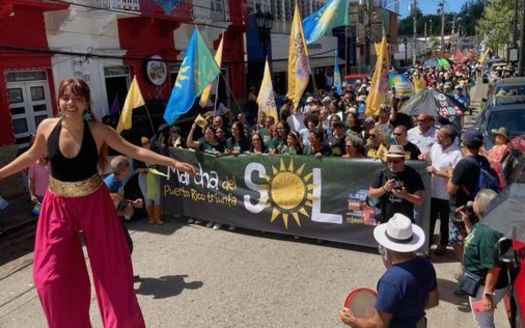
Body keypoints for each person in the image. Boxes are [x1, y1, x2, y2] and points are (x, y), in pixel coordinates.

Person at [0, 78, 195, 327]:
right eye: (66, 97)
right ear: (58, 100)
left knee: (112, 273)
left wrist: (173, 162)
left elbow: (133, 150)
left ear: (86, 103)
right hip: (57, 205)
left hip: (94, 202)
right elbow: (30, 155)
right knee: (49, 279)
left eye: (77, 98)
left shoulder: (98, 130)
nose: (71, 103)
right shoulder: (47, 127)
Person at [340, 213, 439, 327]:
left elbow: (379, 325)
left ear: (388, 247)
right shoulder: (426, 265)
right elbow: (433, 301)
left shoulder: (390, 280)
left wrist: (354, 320)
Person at [459, 189, 509, 328]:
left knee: (483, 323)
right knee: (482, 321)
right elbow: (475, 239)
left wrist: (487, 294)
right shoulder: (486, 223)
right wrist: (466, 221)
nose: (472, 202)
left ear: (481, 205)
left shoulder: (488, 231)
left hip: (483, 286)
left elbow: (493, 266)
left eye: (475, 200)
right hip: (481, 282)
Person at [447, 129, 492, 284]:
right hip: (478, 206)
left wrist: (450, 175)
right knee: (474, 238)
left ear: (464, 143)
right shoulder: (483, 160)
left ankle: (468, 271)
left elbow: (450, 189)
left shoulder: (464, 163)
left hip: (462, 210)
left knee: (459, 241)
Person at [425, 125, 463, 255]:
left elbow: (456, 175)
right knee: (430, 220)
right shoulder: (435, 147)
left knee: (445, 222)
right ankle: (427, 245)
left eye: (440, 136)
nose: (437, 137)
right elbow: (430, 158)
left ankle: (443, 244)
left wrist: (437, 172)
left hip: (447, 194)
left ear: (448, 139)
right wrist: (423, 156)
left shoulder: (457, 154)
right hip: (433, 191)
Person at [104, 155, 143, 255]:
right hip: (112, 223)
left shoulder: (117, 180)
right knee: (125, 247)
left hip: (118, 220)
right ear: (122, 169)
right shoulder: (111, 184)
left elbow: (118, 199)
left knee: (126, 247)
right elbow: (106, 210)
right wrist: (123, 212)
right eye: (127, 164)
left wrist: (132, 202)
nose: (129, 167)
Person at [133, 136, 164, 225]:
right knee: (147, 197)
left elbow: (160, 162)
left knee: (157, 196)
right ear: (141, 146)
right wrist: (146, 170)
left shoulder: (154, 153)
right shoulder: (137, 156)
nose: (148, 144)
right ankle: (151, 218)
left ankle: (158, 218)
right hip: (143, 177)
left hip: (155, 176)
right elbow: (136, 169)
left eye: (148, 142)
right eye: (145, 143)